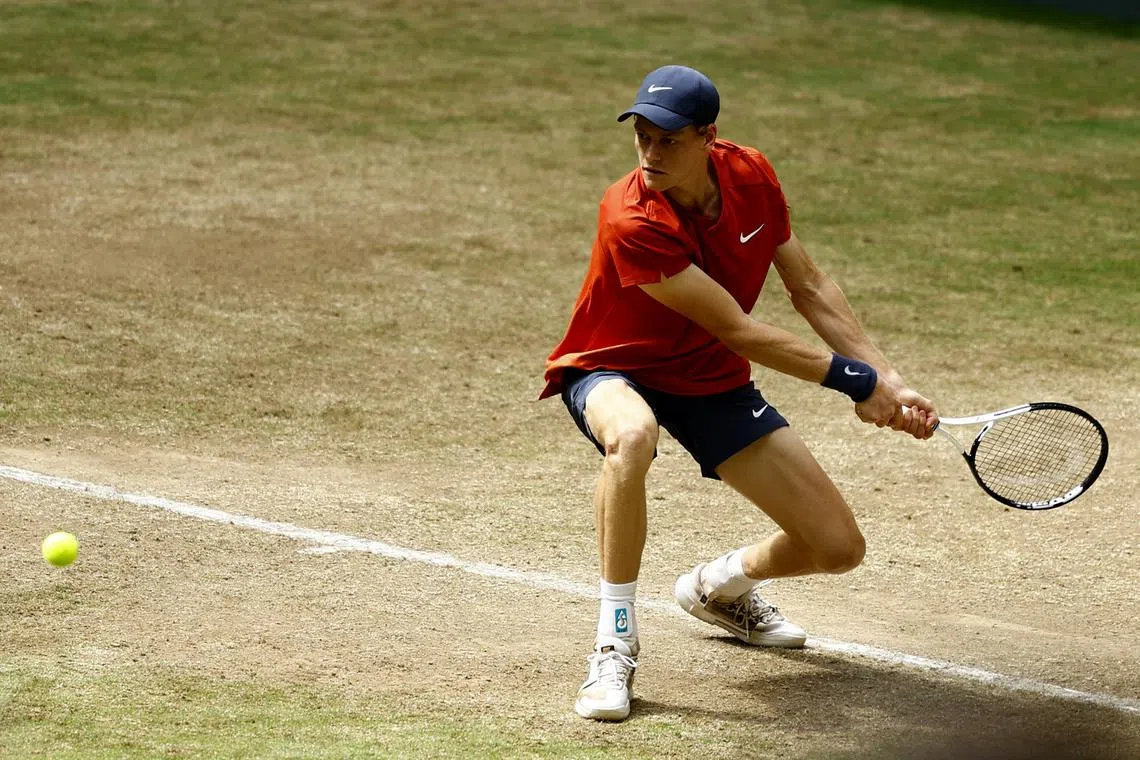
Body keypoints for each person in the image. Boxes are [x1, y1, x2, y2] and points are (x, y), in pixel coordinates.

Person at [539, 64, 938, 722]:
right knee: (632, 438)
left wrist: (887, 379)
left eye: (668, 138)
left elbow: (807, 284)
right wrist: (854, 381)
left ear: (708, 137)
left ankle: (718, 589)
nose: (651, 152)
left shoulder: (750, 175)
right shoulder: (631, 213)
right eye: (642, 136)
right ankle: (614, 644)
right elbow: (739, 328)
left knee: (838, 548)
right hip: (614, 368)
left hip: (708, 379)